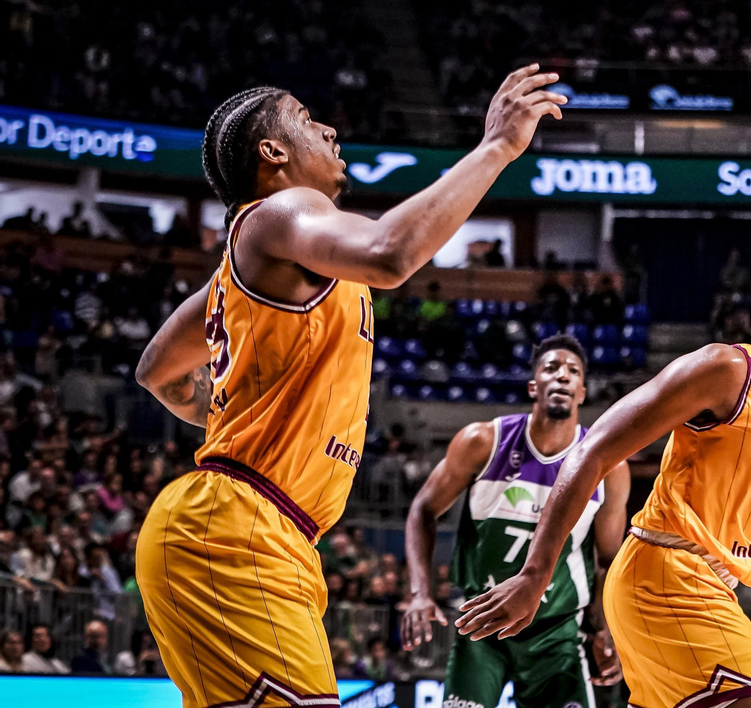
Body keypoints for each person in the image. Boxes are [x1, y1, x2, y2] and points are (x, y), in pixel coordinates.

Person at [132, 68, 567, 708]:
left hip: (260, 532)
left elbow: (156, 371)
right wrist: (496, 148)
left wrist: (237, 411)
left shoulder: (253, 263)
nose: (330, 129)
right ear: (272, 153)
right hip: (236, 528)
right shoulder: (284, 211)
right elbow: (392, 253)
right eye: (308, 118)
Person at [454, 251, 751, 708]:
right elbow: (593, 451)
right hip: (666, 575)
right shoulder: (726, 370)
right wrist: (534, 574)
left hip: (715, 586)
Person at [400, 336, 630, 708]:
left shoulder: (609, 468)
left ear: (583, 392)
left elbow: (607, 562)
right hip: (481, 624)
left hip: (556, 632)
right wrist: (419, 593)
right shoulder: (483, 441)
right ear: (533, 385)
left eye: (573, 372)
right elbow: (422, 509)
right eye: (551, 368)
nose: (562, 377)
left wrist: (607, 630)